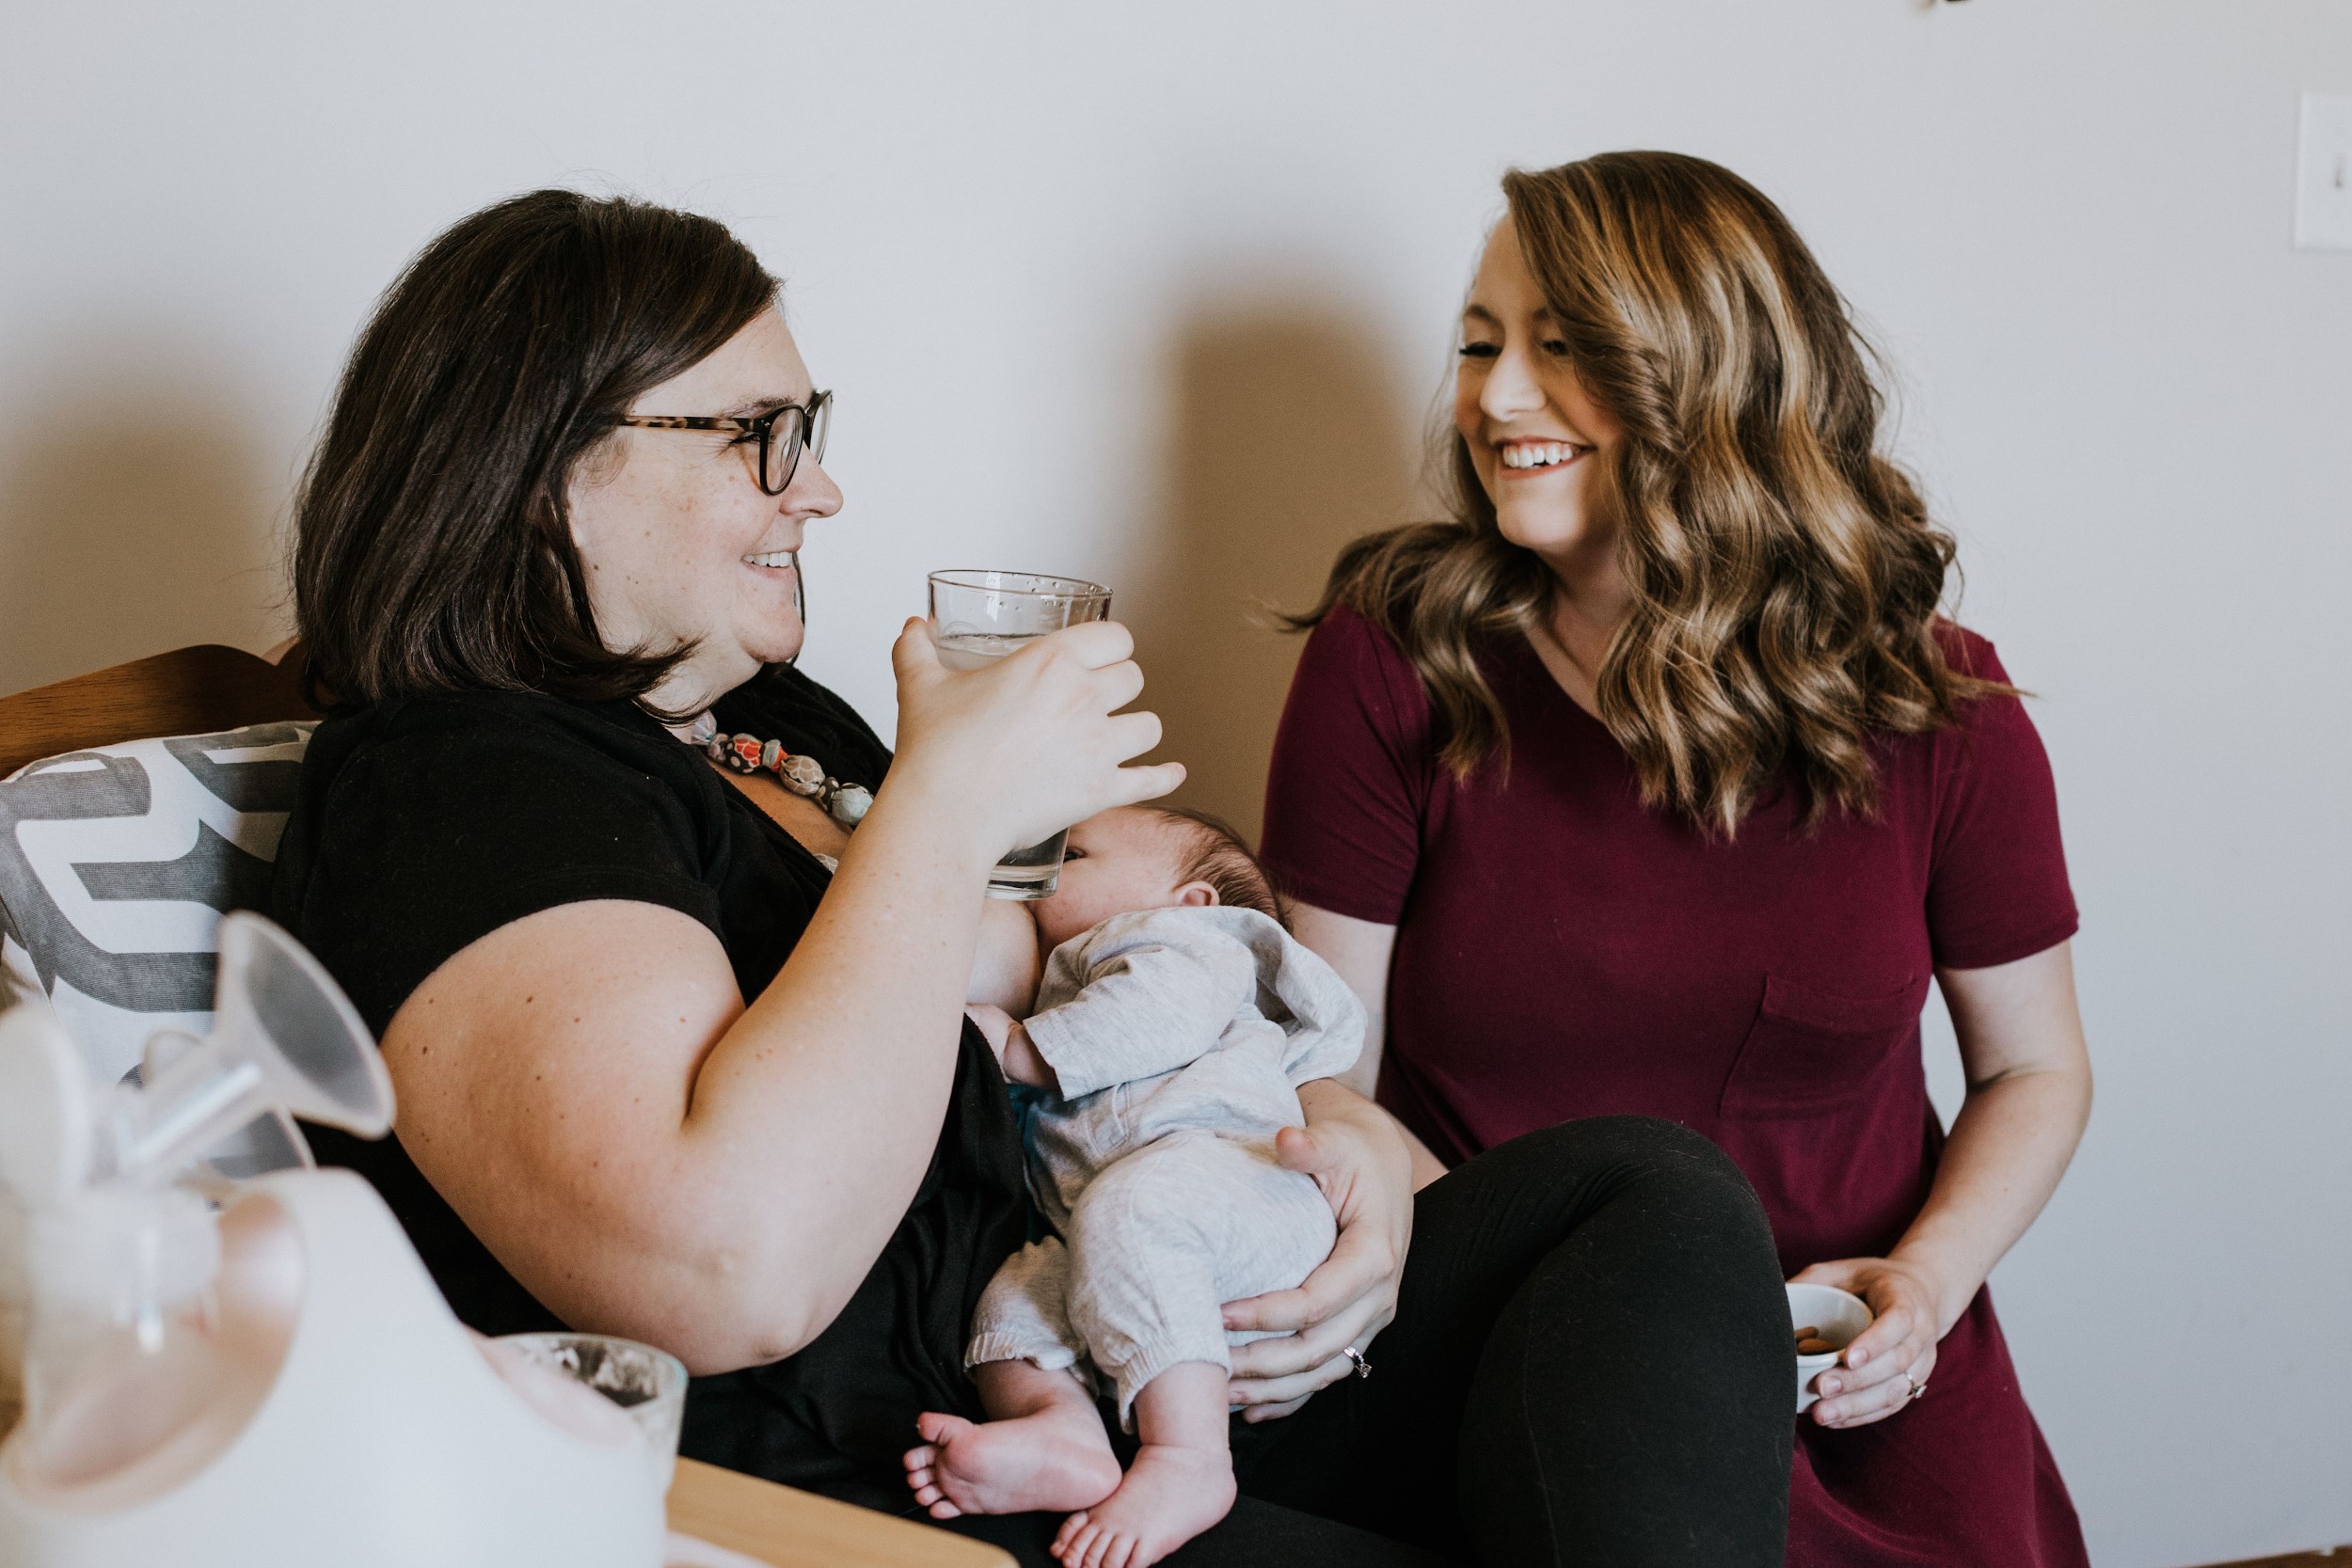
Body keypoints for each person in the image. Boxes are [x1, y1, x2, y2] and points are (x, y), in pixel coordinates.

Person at [270, 187, 1798, 1566]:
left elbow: (1098, 979)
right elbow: (725, 1270)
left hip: (1121, 1319)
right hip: (930, 1466)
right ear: (548, 469)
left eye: (817, 429)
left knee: (1643, 1194)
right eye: (763, 436)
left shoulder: (771, 728)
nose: (821, 493)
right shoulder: (460, 775)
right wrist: (948, 797)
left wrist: (1351, 1163)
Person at [1262, 151, 2095, 1567]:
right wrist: (1567, 1276)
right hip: (1522, 1368)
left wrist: (1929, 1280)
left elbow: (2034, 1069)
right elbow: (1313, 1077)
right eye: (1480, 345)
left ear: (1714, 378)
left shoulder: (1944, 709)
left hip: (1854, 1378)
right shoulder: (1395, 663)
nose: (1497, 398)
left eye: (1564, 346)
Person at [911, 807, 1360, 1568]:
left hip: (1237, 1188)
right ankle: (1062, 1428)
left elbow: (1152, 1021)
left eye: (1075, 854)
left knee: (1134, 1209)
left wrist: (1018, 1046)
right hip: (1132, 1232)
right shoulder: (1082, 977)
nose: (1046, 867)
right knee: (1016, 1293)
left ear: (1192, 901)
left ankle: (1191, 1458)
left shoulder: (1185, 949)